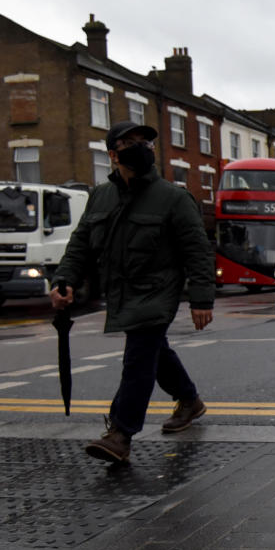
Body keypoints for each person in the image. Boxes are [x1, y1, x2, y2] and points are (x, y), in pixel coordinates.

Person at [50, 120, 215, 464]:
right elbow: (81, 244)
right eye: (131, 143)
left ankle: (121, 434)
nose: (142, 147)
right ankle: (189, 400)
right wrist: (64, 279)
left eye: (147, 142)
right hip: (122, 291)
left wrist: (201, 299)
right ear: (113, 155)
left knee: (139, 356)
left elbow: (197, 251)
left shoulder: (173, 197)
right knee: (154, 351)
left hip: (159, 290)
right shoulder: (101, 196)